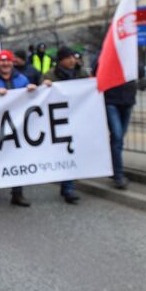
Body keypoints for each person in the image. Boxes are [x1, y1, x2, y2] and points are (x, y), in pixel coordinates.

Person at [0, 51, 43, 207]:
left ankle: (17, 194)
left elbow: (33, 96)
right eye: (2, 62)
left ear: (13, 63)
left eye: (8, 61)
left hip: (17, 125)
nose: (5, 64)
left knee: (17, 158)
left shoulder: (22, 79)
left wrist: (36, 89)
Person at [52, 47, 85, 204]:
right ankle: (68, 188)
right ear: (61, 60)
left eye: (74, 57)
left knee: (75, 150)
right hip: (61, 120)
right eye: (68, 57)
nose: (73, 60)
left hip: (79, 118)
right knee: (67, 151)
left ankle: (67, 185)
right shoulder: (50, 75)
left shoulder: (82, 73)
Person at [103, 75, 137, 189]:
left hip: (127, 101)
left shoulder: (130, 58)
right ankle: (118, 175)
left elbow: (141, 72)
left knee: (118, 138)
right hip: (111, 101)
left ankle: (113, 169)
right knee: (117, 137)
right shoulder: (106, 57)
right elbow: (97, 69)